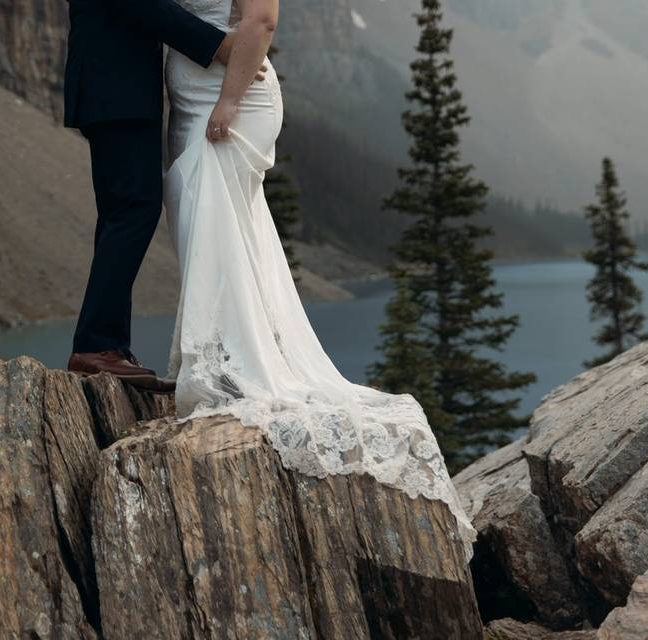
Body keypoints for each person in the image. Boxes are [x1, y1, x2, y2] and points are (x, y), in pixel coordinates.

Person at [162, 0, 477, 557]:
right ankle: (223, 357)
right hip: (192, 95)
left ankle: (228, 368)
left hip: (228, 96)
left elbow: (261, 20)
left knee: (217, 228)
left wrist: (230, 101)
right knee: (215, 230)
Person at [64, 0, 255, 392]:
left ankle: (108, 346)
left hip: (115, 87)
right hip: (115, 86)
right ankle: (96, 347)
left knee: (124, 210)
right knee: (134, 208)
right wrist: (219, 45)